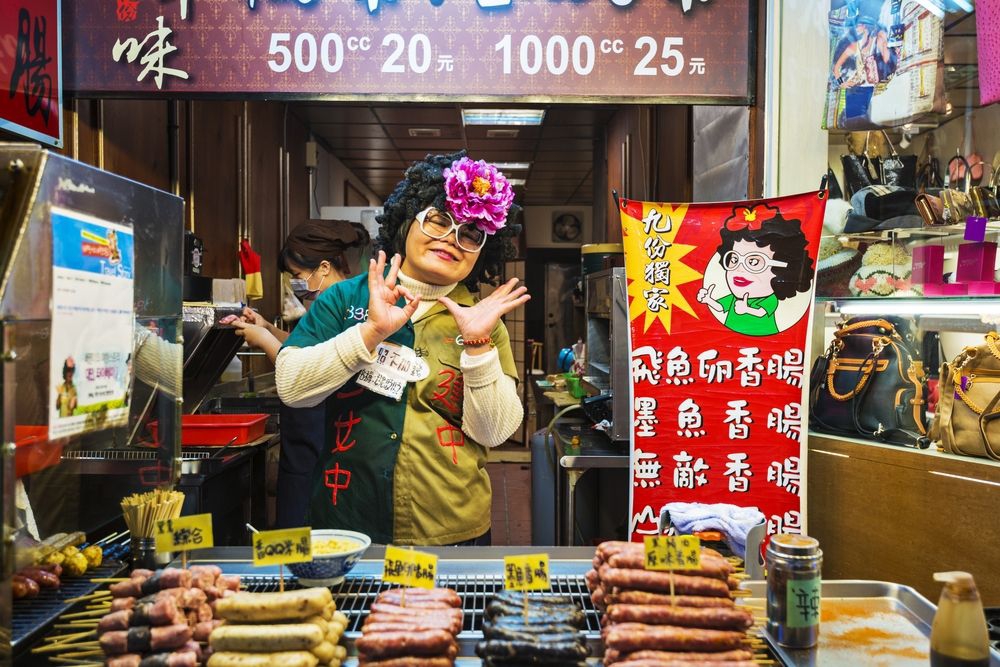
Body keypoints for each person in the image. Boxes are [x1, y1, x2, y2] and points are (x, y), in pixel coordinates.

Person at [273, 151, 529, 544]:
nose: (451, 240)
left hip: (451, 526)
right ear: (408, 221)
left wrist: (478, 344)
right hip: (349, 520)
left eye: (470, 234)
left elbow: (492, 432)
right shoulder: (343, 299)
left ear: (482, 251)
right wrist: (371, 333)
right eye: (438, 221)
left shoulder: (481, 319)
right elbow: (292, 388)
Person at [225, 220, 369, 362]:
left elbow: (305, 367)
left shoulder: (332, 305)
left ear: (324, 267)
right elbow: (304, 345)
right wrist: (267, 327)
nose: (294, 281)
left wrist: (263, 339)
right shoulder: (346, 296)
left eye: (297, 274)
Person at [697, 203, 814, 337]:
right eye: (734, 260)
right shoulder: (734, 298)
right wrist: (708, 300)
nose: (739, 270)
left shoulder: (769, 300)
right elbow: (720, 307)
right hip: (731, 347)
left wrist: (747, 309)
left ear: (783, 270)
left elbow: (761, 312)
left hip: (768, 349)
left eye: (753, 261)